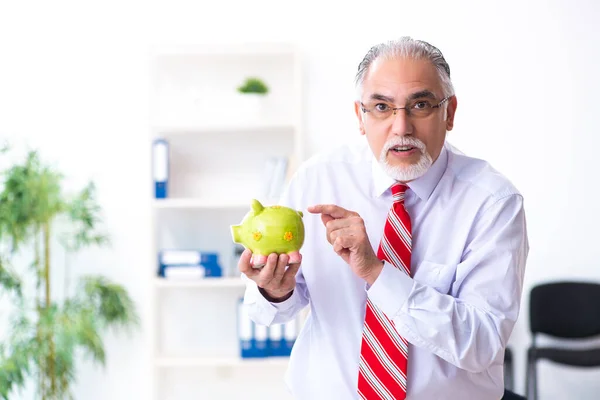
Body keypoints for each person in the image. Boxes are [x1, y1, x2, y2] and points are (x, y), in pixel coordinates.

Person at [238, 36, 529, 400]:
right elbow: (267, 313)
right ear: (360, 117)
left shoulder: (492, 203)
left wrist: (376, 272)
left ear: (449, 112)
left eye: (420, 105)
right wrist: (274, 290)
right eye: (381, 107)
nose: (401, 127)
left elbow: (481, 344)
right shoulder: (318, 180)